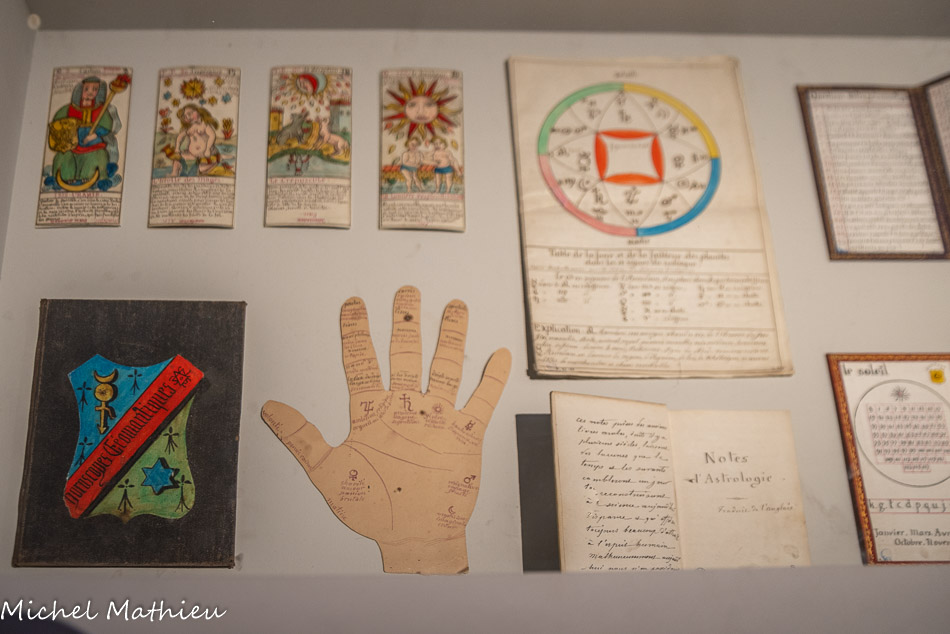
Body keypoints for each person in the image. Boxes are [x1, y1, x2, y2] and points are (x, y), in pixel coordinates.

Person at [48, 76, 120, 189]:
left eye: (95, 89)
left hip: (93, 146)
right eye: (87, 89)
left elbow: (107, 125)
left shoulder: (101, 110)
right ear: (80, 90)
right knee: (63, 157)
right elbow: (57, 124)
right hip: (72, 147)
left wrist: (94, 135)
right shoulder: (69, 109)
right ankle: (61, 178)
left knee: (99, 157)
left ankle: (99, 179)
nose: (90, 92)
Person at [172, 104, 220, 176]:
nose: (188, 117)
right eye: (185, 116)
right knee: (177, 159)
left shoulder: (204, 125)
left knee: (201, 168)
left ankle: (207, 167)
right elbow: (179, 137)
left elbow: (212, 136)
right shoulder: (188, 127)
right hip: (192, 154)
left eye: (189, 114)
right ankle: (174, 173)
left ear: (198, 111)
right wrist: (177, 148)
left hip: (206, 154)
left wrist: (207, 149)